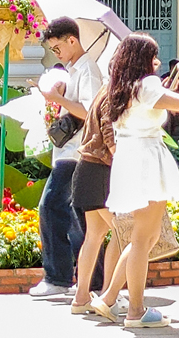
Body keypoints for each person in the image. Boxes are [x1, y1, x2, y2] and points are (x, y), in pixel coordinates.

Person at [90, 34, 179, 328]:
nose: (158, 62)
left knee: (145, 237)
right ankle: (136, 311)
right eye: (153, 56)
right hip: (147, 160)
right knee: (142, 239)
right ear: (143, 60)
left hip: (130, 158)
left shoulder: (122, 87)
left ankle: (109, 297)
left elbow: (151, 105)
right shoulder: (147, 85)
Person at [30, 18, 103, 299]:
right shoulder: (74, 70)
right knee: (77, 219)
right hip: (68, 152)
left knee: (50, 206)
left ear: (72, 39)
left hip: (76, 153)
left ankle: (58, 277)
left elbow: (90, 112)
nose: (56, 54)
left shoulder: (88, 70)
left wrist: (57, 99)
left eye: (57, 48)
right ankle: (93, 280)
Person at [69, 85, 121, 316]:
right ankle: (108, 296)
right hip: (101, 170)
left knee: (95, 235)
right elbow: (109, 132)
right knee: (123, 233)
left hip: (89, 169)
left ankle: (82, 298)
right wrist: (122, 158)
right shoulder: (113, 93)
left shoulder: (104, 90)